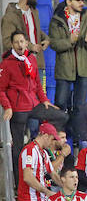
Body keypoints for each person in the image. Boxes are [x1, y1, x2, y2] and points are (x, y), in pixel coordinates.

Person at [1, 29, 66, 159]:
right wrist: (7, 107)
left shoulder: (31, 59)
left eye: (21, 41)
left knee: (62, 116)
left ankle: (42, 142)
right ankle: (18, 178)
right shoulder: (6, 64)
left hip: (34, 105)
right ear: (12, 45)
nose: (19, 45)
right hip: (18, 109)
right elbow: (1, 89)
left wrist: (44, 100)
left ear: (26, 43)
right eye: (16, 42)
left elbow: (37, 84)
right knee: (18, 147)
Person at [48, 0, 87, 110]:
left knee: (80, 106)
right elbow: (54, 44)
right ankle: (60, 129)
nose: (82, 3)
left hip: (84, 68)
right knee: (60, 102)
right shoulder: (57, 20)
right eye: (78, 1)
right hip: (64, 67)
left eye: (82, 0)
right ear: (68, 2)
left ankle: (77, 129)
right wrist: (69, 41)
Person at [16, 123, 63, 201]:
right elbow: (27, 177)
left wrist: (67, 187)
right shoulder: (30, 150)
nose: (53, 143)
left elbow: (53, 173)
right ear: (45, 135)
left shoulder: (43, 153)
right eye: (52, 139)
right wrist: (46, 191)